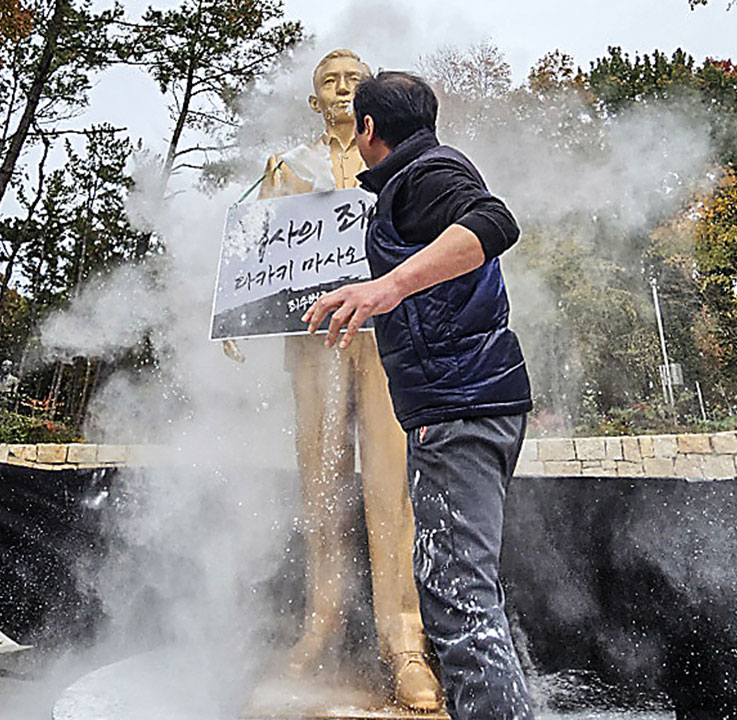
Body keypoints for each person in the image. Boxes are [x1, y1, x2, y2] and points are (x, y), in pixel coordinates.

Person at [302, 71, 535, 720]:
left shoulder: (425, 173)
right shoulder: (413, 179)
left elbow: (494, 221)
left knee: (457, 595)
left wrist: (385, 289)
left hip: (460, 407)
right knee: (465, 592)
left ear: (369, 129)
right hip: (465, 403)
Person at [250, 49, 441, 711]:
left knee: (392, 488)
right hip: (315, 341)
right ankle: (321, 620)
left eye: (351, 80)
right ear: (314, 100)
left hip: (386, 337)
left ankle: (404, 639)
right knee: (321, 484)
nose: (341, 89)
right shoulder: (286, 170)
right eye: (328, 82)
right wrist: (235, 324)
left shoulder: (402, 163)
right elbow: (255, 260)